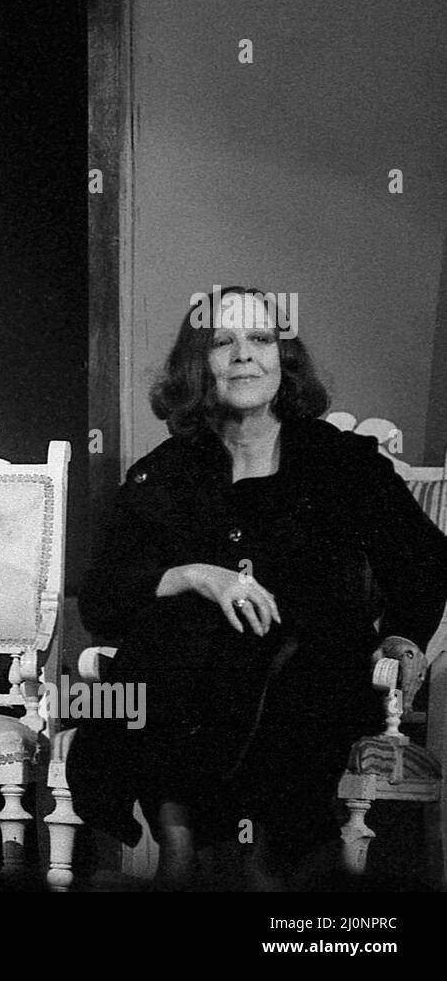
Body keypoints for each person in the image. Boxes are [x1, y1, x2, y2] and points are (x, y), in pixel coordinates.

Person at [69, 287, 447, 889]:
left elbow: (422, 560)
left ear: (283, 358)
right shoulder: (162, 472)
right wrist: (197, 575)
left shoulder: (342, 462)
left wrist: (401, 639)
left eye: (261, 339)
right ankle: (179, 842)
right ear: (200, 365)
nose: (244, 355)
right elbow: (104, 596)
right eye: (222, 342)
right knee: (165, 648)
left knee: (295, 683)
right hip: (192, 677)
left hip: (311, 671)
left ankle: (265, 866)